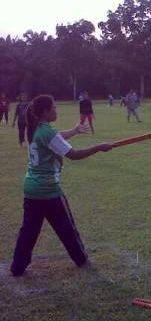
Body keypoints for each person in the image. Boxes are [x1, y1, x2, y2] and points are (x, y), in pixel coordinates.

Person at [10, 95, 113, 276]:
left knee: (28, 231)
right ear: (44, 112)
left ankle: (17, 266)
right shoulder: (46, 132)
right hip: (48, 190)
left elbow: (56, 137)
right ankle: (80, 258)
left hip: (31, 189)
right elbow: (73, 154)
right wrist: (98, 147)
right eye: (54, 108)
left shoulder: (36, 129)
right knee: (66, 227)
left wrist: (74, 130)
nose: (56, 110)